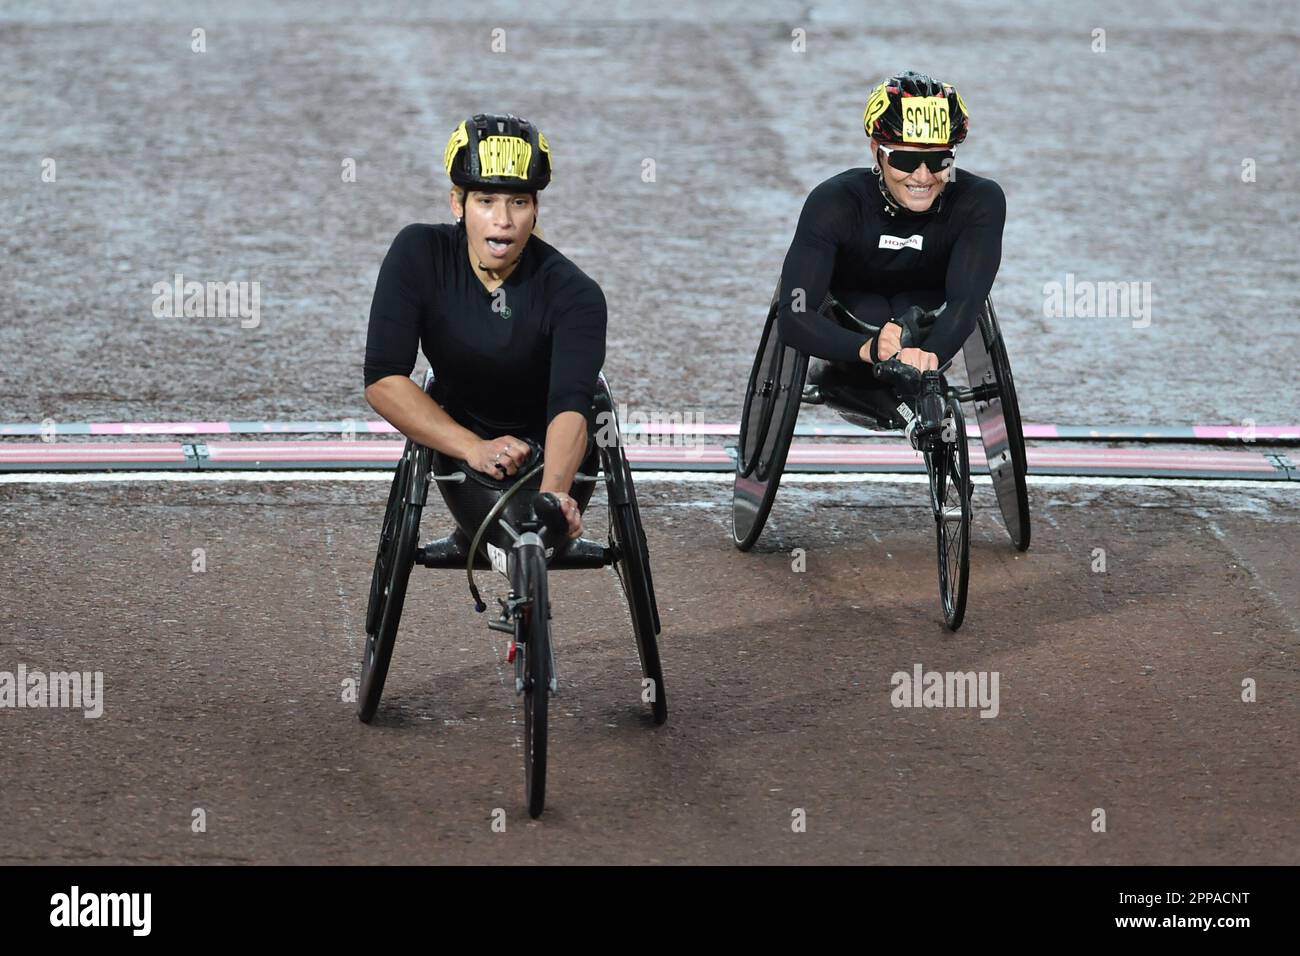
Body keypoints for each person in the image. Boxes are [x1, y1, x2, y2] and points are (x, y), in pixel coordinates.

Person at [363, 113, 606, 539]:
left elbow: (571, 404)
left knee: (534, 537)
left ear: (535, 209)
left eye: (518, 202)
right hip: (461, 441)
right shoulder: (418, 254)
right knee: (510, 539)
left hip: (554, 451)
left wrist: (554, 497)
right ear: (458, 204)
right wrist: (474, 448)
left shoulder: (575, 293)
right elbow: (384, 380)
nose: (503, 221)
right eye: (486, 201)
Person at [775, 70, 1005, 391]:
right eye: (906, 159)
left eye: (940, 160)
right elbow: (793, 315)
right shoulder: (834, 203)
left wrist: (929, 356)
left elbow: (967, 304)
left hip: (926, 319)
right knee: (875, 310)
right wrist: (871, 348)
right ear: (876, 152)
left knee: (908, 311)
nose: (923, 177)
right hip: (853, 320)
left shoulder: (980, 200)